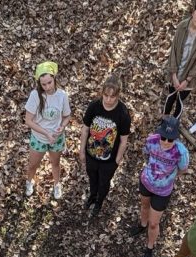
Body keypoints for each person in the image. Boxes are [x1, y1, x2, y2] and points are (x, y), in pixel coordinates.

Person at [130, 116, 190, 257]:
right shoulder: (151, 141)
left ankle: (149, 247)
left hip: (163, 191)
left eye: (170, 139)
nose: (166, 142)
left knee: (154, 223)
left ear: (176, 138)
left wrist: (167, 177)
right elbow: (146, 153)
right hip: (146, 181)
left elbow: (183, 169)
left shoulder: (181, 152)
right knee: (144, 206)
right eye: (164, 137)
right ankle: (141, 225)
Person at [79, 75, 131, 217]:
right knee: (92, 178)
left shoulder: (123, 113)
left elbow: (124, 139)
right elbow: (85, 128)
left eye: (112, 96)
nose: (108, 100)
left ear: (118, 95)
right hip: (91, 153)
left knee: (104, 182)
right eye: (106, 95)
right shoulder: (94, 106)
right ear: (102, 93)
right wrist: (82, 150)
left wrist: (117, 159)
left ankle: (99, 202)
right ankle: (92, 196)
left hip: (109, 159)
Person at [23, 61, 71, 200]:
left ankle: (57, 184)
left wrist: (62, 126)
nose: (47, 87)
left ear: (54, 78)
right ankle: (29, 182)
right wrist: (46, 133)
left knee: (55, 163)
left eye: (49, 82)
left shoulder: (62, 95)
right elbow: (28, 120)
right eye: (43, 84)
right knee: (33, 165)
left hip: (56, 138)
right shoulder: (35, 95)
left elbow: (67, 115)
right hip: (39, 138)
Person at [164, 0, 196, 119]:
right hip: (176, 72)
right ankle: (164, 122)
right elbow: (174, 52)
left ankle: (174, 125)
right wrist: (174, 76)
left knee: (180, 102)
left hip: (189, 76)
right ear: (193, 12)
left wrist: (187, 80)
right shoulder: (182, 26)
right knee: (170, 98)